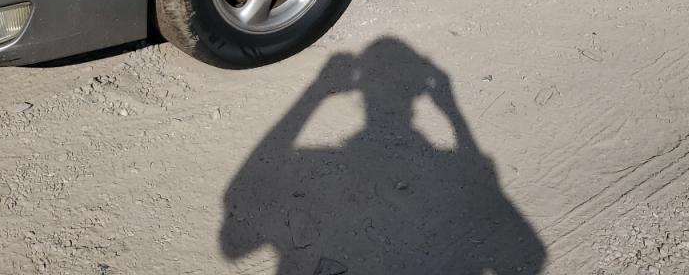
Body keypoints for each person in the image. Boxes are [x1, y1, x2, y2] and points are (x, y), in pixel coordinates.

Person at [221, 38, 545, 274]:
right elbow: (528, 253)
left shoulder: (322, 160)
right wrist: (453, 112)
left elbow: (234, 236)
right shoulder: (442, 163)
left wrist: (316, 93)